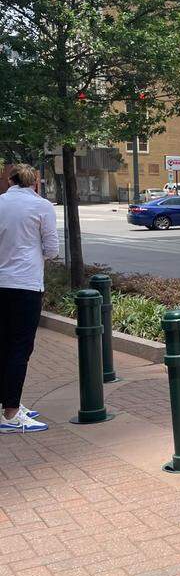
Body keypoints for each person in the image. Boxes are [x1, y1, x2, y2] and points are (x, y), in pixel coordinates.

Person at [0, 164, 58, 433]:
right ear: (35, 183)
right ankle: (11, 414)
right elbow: (52, 250)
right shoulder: (42, 207)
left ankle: (9, 403)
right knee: (20, 349)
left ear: (9, 181)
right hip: (25, 285)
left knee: (4, 346)